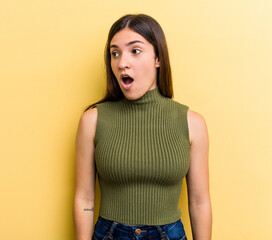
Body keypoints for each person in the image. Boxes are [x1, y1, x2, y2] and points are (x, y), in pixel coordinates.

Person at [73, 13, 212, 240]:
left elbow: (199, 201)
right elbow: (84, 199)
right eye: (115, 53)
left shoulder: (192, 123)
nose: (122, 63)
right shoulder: (93, 120)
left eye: (135, 51)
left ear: (158, 58)